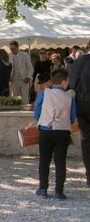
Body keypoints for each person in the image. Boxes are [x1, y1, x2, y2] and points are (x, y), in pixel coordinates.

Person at [34, 67, 77, 199]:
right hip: (62, 132)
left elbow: (36, 113)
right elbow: (72, 117)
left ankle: (43, 189)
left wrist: (45, 119)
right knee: (60, 162)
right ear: (64, 82)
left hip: (45, 131)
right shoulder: (69, 97)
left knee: (44, 161)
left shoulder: (43, 94)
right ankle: (59, 191)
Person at [71, 51, 90, 187]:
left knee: (86, 139)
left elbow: (72, 83)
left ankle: (89, 174)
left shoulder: (79, 61)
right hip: (83, 104)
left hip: (82, 106)